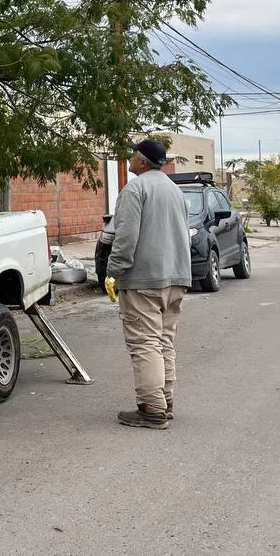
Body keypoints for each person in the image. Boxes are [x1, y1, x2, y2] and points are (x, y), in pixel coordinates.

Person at [105, 137, 192, 430]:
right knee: (164, 341)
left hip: (144, 280)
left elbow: (125, 237)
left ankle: (151, 410)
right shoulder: (174, 190)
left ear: (142, 161)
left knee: (145, 343)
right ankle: (164, 402)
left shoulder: (135, 189)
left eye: (132, 154)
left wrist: (113, 272)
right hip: (176, 278)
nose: (129, 158)